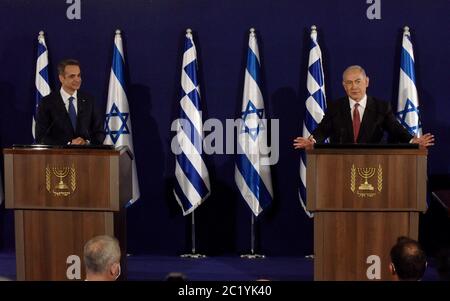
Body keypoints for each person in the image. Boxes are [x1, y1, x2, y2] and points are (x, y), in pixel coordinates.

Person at [293, 65, 434, 149]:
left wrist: (412, 140)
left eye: (358, 81)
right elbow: (323, 129)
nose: (354, 86)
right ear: (344, 86)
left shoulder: (381, 107)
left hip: (373, 164)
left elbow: (396, 129)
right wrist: (311, 141)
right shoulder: (335, 107)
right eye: (349, 82)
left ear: (366, 82)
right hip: (340, 163)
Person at [35, 59, 105, 145]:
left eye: (78, 75)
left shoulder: (89, 101)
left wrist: (86, 142)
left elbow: (99, 133)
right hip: (58, 156)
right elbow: (41, 137)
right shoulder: (47, 102)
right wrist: (68, 143)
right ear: (61, 78)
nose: (77, 79)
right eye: (72, 76)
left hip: (86, 155)